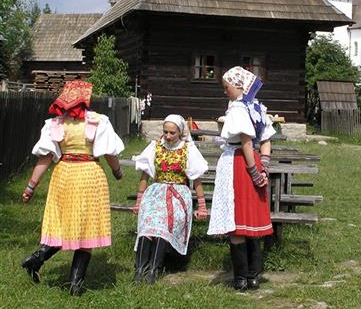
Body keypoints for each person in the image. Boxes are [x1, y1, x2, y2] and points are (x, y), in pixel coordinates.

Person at [20, 80, 124, 296]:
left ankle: (36, 259)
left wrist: (31, 186)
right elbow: (109, 152)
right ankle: (75, 285)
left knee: (63, 225)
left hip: (64, 174)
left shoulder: (55, 124)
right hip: (89, 175)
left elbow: (46, 157)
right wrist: (117, 172)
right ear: (86, 98)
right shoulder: (98, 121)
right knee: (87, 227)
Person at [207, 66, 276, 290]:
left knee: (236, 219)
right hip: (253, 160)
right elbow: (265, 141)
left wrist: (255, 172)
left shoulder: (238, 108)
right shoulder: (257, 106)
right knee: (251, 220)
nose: (225, 91)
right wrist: (263, 166)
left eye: (226, 87)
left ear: (238, 86)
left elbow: (246, 141)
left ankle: (241, 278)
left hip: (239, 163)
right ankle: (253, 276)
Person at [132, 114, 208, 284]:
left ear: (180, 132)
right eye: (165, 131)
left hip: (178, 193)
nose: (167, 136)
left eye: (172, 133)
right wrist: (139, 201)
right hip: (156, 191)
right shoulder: (156, 146)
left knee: (164, 223)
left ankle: (153, 269)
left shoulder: (187, 149)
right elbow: (145, 175)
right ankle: (139, 270)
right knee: (148, 224)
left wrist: (201, 206)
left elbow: (196, 179)